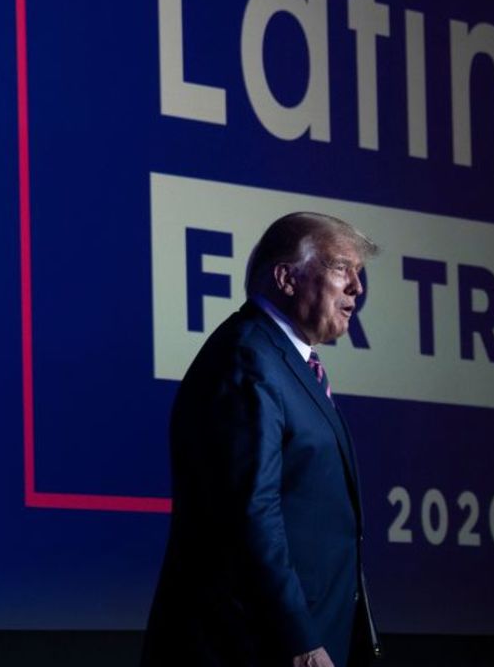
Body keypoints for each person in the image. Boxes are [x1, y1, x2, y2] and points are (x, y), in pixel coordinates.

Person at [142, 212, 381, 667]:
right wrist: (301, 641)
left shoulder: (286, 362)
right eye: (339, 269)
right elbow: (251, 513)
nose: (357, 287)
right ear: (286, 278)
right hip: (254, 647)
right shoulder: (248, 359)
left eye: (358, 272)